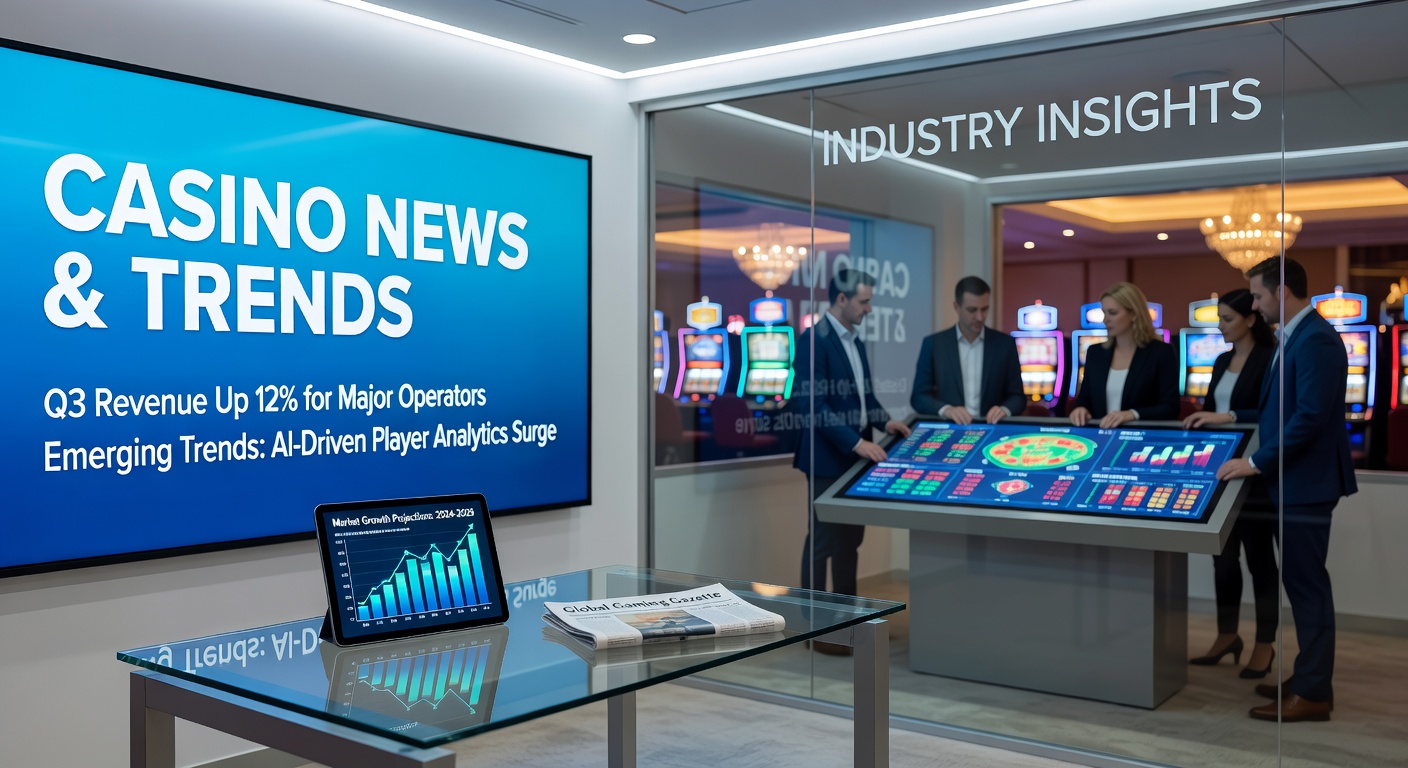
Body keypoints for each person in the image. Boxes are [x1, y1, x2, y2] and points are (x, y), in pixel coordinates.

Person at [1215, 256, 1357, 723]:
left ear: (1283, 291)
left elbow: (1310, 418)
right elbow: (1280, 412)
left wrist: (1254, 462)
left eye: (1257, 295)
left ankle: (1314, 692)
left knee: (1308, 586)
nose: (1253, 304)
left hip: (1306, 484)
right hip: (1292, 482)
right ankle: (1308, 677)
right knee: (1300, 585)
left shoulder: (1315, 338)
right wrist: (1232, 419)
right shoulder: (1294, 337)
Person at [792, 269, 911, 614]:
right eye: (864, 302)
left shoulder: (854, 340)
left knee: (850, 542)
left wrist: (884, 420)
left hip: (855, 457)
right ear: (841, 300)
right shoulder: (814, 339)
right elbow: (811, 404)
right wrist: (855, 443)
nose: (869, 309)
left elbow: (862, 398)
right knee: (823, 541)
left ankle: (844, 616)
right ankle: (811, 621)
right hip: (828, 457)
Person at [1183, 289, 1278, 678]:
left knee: (1259, 562)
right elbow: (1209, 408)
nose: (1219, 326)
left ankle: (1265, 643)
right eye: (1218, 318)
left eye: (1227, 319)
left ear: (1250, 320)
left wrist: (1229, 416)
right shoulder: (1222, 360)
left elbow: (1274, 412)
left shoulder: (1269, 358)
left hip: (1255, 470)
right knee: (1223, 559)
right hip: (1220, 467)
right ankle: (1227, 635)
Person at [911, 276, 1027, 424]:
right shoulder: (934, 344)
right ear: (956, 307)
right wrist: (947, 409)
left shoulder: (1005, 345)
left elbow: (1018, 397)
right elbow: (918, 397)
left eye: (984, 309)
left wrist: (1004, 409)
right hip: (949, 431)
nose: (980, 317)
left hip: (991, 430)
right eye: (972, 310)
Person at [1068, 282, 1179, 428]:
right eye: (1104, 313)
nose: (1105, 319)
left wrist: (1132, 414)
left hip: (1140, 438)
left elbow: (1171, 408)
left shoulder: (1160, 352)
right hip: (1101, 437)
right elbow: (1085, 398)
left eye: (1112, 313)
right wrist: (1080, 409)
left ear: (1133, 314)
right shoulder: (1095, 353)